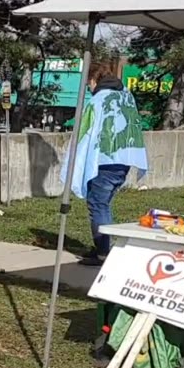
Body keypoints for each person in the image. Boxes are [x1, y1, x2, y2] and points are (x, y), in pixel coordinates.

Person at [68, 60, 148, 266]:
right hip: (125, 157)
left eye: (89, 84)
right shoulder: (126, 96)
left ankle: (103, 253)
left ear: (94, 80)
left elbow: (86, 132)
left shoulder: (98, 100)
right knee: (104, 204)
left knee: (98, 205)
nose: (89, 88)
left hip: (104, 160)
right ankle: (103, 247)